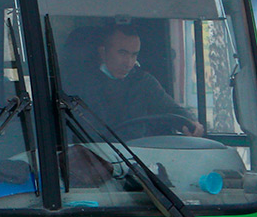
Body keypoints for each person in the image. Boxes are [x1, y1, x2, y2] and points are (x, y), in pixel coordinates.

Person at [68, 23, 204, 136]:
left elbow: (171, 109)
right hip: (98, 157)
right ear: (103, 52)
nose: (129, 62)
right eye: (122, 53)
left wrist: (191, 123)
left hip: (138, 157)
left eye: (134, 55)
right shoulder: (82, 85)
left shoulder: (143, 82)